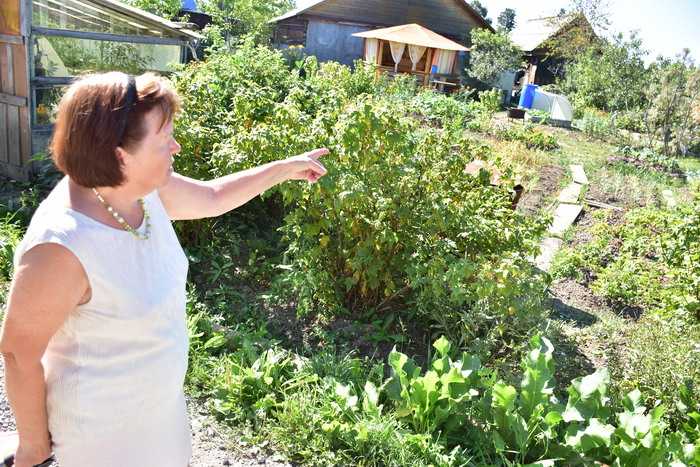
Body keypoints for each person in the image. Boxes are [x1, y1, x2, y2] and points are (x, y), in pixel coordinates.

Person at [0, 71, 328, 467]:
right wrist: (33, 449)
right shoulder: (62, 246)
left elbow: (212, 196)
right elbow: (19, 353)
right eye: (164, 139)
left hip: (159, 414)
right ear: (120, 154)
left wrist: (282, 168)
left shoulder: (140, 189)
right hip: (98, 441)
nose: (176, 145)